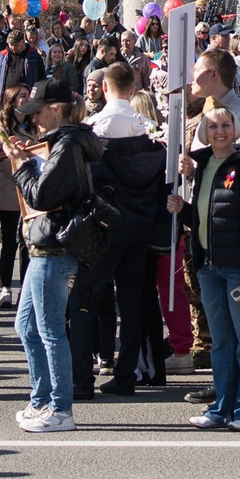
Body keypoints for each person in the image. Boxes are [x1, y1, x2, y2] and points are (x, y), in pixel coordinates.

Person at [5, 80, 99, 432]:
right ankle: (42, 399)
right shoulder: (66, 142)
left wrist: (20, 164)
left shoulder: (68, 143)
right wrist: (27, 158)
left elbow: (42, 196)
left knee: (50, 331)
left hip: (55, 246)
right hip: (46, 245)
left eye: (39, 112)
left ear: (57, 109)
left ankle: (60, 408)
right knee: (27, 326)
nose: (35, 120)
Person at [72, 60, 165, 399]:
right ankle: (126, 374)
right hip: (139, 226)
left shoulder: (94, 127)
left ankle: (81, 378)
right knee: (133, 301)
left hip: (105, 226)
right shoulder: (150, 128)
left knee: (87, 301)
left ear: (107, 88)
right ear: (131, 87)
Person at [183, 101, 240, 431]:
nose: (219, 130)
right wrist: (181, 210)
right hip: (209, 267)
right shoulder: (204, 164)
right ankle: (223, 406)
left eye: (225, 125)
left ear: (235, 129)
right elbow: (208, 215)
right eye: (212, 126)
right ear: (204, 133)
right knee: (221, 343)